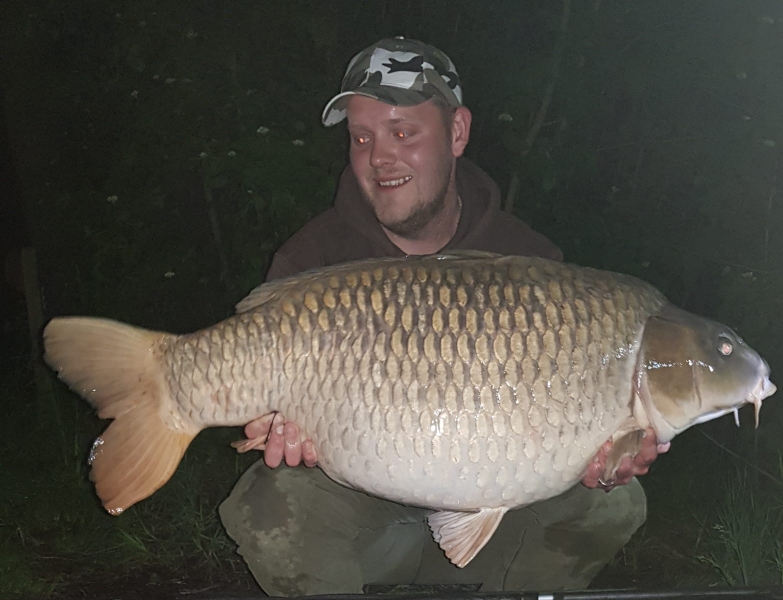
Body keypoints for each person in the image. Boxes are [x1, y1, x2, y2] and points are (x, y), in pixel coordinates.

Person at [219, 37, 667, 596]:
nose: (379, 156)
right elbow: (269, 422)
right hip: (361, 525)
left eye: (403, 133)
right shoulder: (312, 260)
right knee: (268, 507)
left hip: (496, 531)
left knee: (613, 503)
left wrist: (606, 452)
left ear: (457, 132)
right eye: (362, 138)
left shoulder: (533, 264)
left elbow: (578, 429)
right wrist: (277, 430)